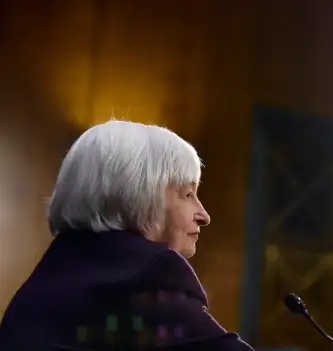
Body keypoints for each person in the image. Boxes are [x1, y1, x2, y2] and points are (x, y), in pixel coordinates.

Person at [0, 120, 255, 350]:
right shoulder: (149, 273)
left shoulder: (58, 265)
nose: (204, 215)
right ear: (139, 196)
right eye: (188, 195)